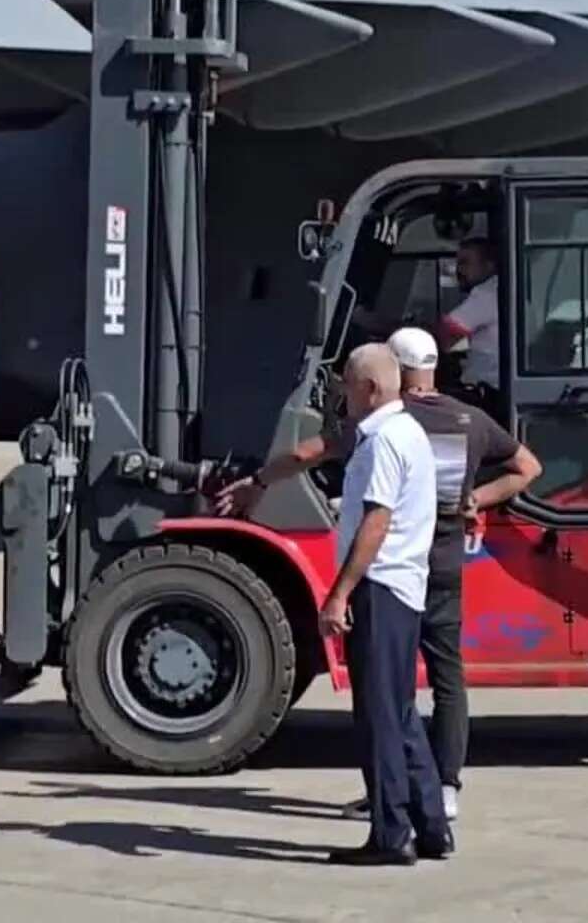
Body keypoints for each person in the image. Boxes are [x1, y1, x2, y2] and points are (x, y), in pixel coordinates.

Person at [216, 327, 542, 822]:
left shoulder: (386, 422)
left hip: (392, 568)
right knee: (447, 674)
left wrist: (257, 482)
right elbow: (527, 466)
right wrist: (478, 498)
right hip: (447, 563)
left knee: (391, 689)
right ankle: (446, 785)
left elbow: (307, 455)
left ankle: (391, 791)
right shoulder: (470, 420)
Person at [308, 342, 450, 865]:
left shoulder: (383, 441)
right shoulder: (405, 432)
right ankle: (431, 826)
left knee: (378, 717)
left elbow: (376, 520)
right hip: (402, 586)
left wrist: (339, 592)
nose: (342, 394)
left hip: (381, 586)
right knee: (400, 711)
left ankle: (391, 835)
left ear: (369, 389)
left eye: (346, 384)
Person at [440, 237, 500, 409]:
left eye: (465, 263)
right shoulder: (503, 289)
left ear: (488, 266)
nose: (458, 270)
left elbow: (445, 335)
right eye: (458, 263)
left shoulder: (487, 294)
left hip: (488, 395)